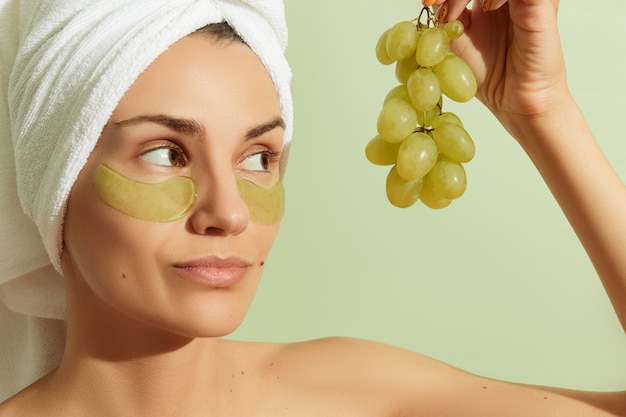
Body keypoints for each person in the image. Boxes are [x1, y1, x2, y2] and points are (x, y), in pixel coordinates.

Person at [0, 0, 624, 416]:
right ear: (56, 177)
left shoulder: (351, 395)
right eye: (166, 154)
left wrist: (542, 110)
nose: (231, 212)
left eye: (258, 157)